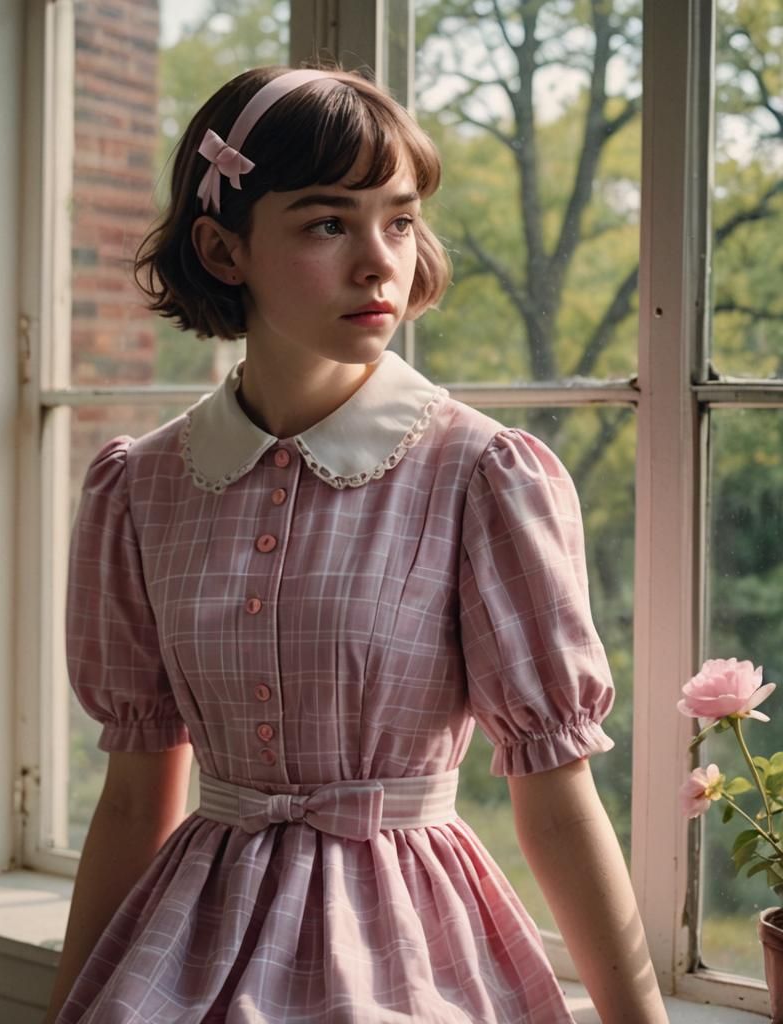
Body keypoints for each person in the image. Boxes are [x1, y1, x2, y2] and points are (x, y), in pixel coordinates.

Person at [44, 65, 669, 1024]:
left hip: (410, 949)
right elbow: (136, 796)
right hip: (191, 941)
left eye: (401, 220)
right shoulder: (144, 486)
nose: (382, 262)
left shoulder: (481, 475)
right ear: (222, 247)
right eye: (328, 223)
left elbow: (552, 791)